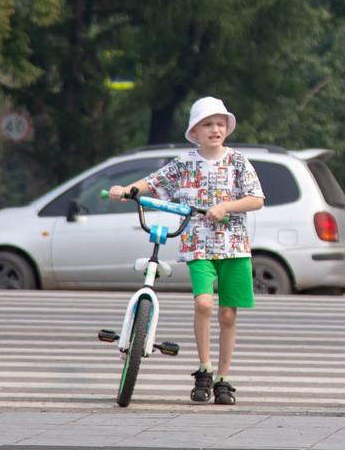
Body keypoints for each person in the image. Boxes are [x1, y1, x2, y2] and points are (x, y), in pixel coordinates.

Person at [109, 96, 265, 406]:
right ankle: (203, 369)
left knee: (228, 313)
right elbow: (153, 182)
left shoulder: (237, 161)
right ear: (195, 132)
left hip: (234, 246)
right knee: (204, 304)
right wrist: (126, 190)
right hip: (198, 244)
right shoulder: (185, 163)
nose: (215, 129)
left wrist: (225, 207)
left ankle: (222, 378)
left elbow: (256, 199)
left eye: (220, 124)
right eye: (208, 124)